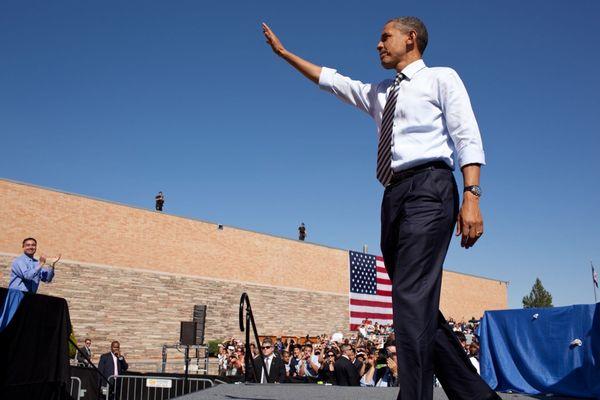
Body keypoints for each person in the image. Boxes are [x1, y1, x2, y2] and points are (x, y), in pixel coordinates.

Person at [263, 16, 499, 400]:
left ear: (411, 39)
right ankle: (476, 396)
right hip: (393, 195)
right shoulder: (381, 92)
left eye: (385, 37)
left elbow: (467, 136)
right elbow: (333, 82)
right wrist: (286, 54)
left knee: (409, 297)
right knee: (414, 301)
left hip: (431, 186)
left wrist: (472, 196)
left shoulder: (441, 78)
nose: (378, 44)